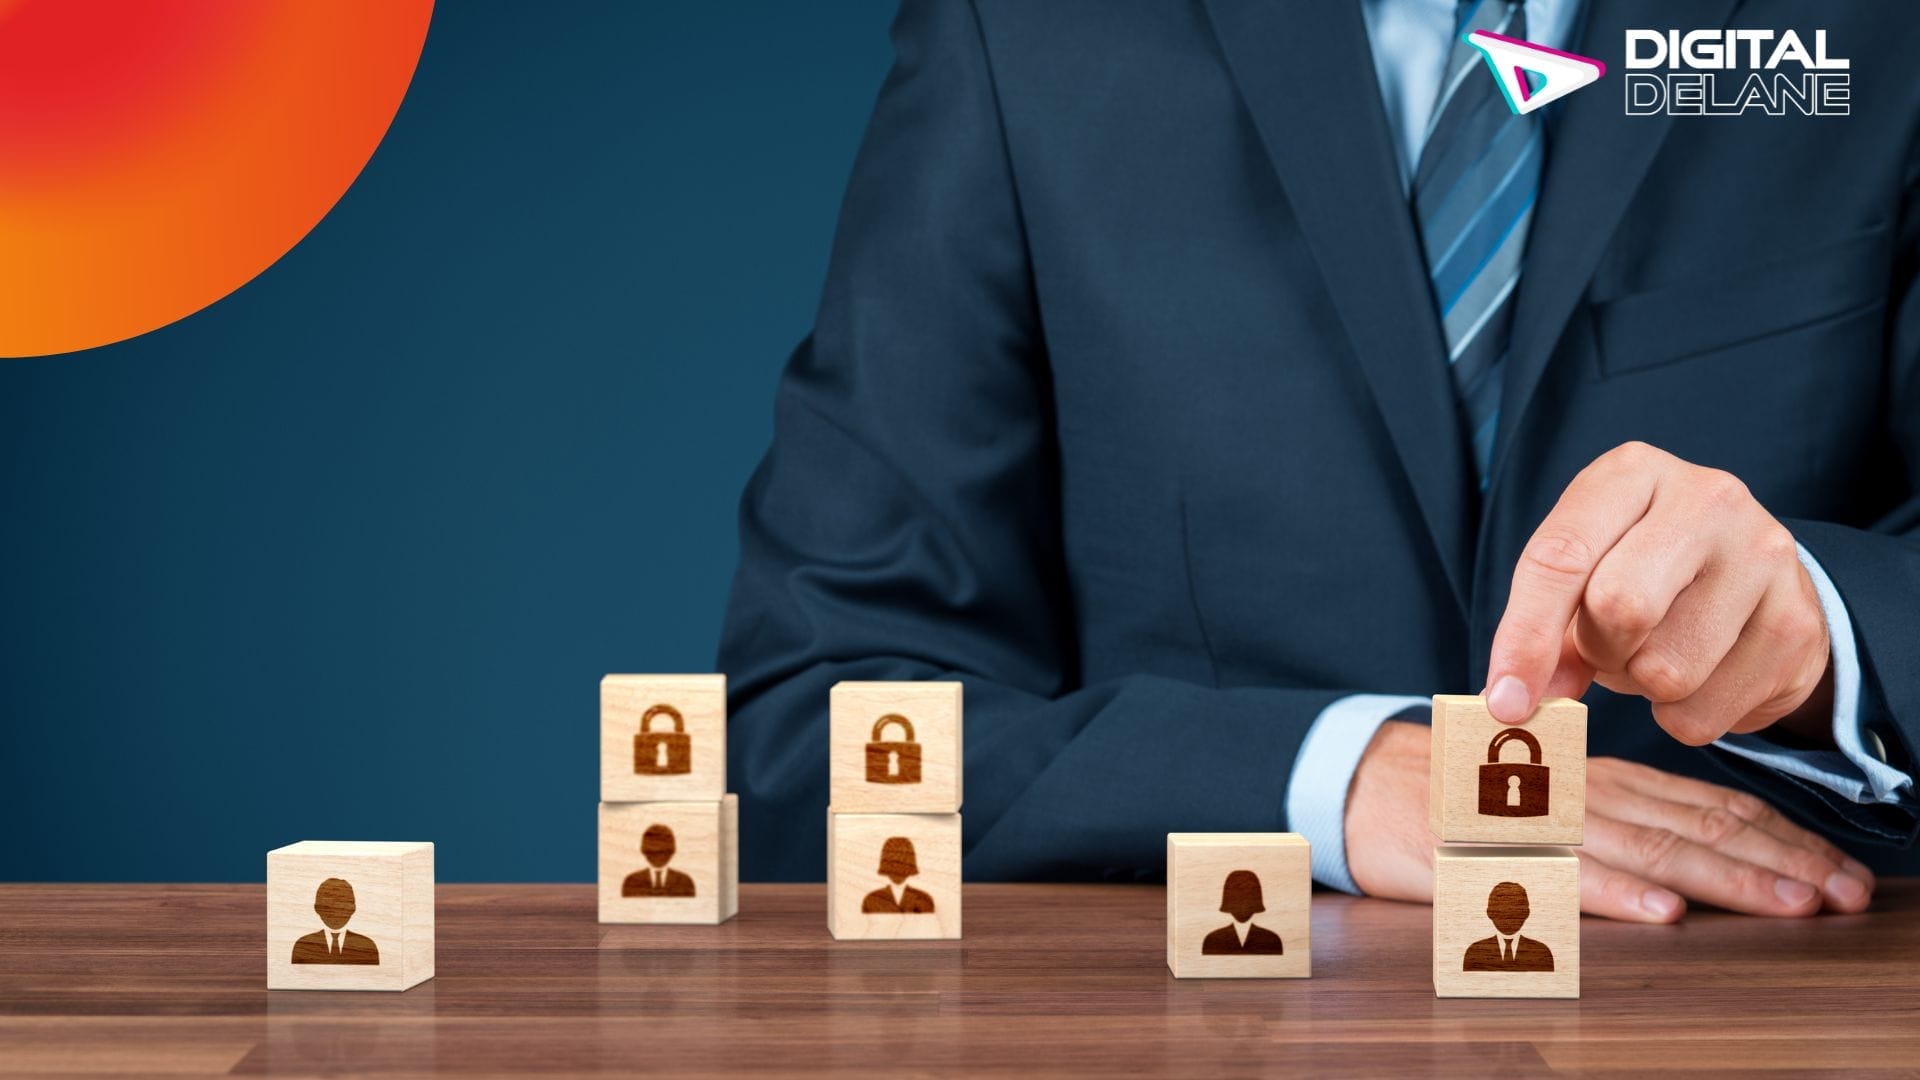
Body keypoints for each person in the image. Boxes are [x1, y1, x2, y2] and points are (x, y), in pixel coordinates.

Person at [717, 0, 1920, 919]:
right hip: (1208, 1016)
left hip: (1770, 995)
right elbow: (812, 727)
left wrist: (1824, 637)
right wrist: (1328, 780)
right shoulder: (1026, 32)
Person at [1463, 882, 1554, 972]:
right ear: (1489, 913)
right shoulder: (1475, 952)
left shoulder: (1541, 953)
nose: (1508, 915)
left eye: (1516, 910)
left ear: (1527, 913)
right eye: (1501, 910)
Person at [290, 878, 380, 965]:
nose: (335, 912)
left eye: (342, 906)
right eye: (328, 906)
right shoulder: (303, 946)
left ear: (353, 908)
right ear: (316, 908)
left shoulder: (367, 947)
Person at [1201, 870, 1284, 955]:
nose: (1242, 908)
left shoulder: (1272, 940)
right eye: (1236, 899)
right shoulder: (1213, 940)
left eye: (1247, 900)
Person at [862, 836, 937, 913]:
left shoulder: (924, 900)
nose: (897, 874)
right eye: (892, 867)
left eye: (902, 869)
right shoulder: (871, 900)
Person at [622, 824, 696, 897]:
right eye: (652, 851)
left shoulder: (685, 883)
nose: (658, 856)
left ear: (672, 851)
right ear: (644, 851)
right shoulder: (632, 882)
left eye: (663, 851)